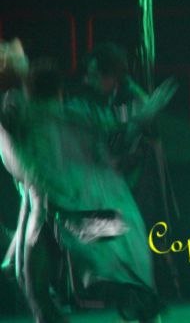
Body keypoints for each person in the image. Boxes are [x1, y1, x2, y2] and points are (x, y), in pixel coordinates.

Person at [0, 43, 176, 323]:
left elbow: (121, 125)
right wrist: (146, 108)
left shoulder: (27, 114)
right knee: (112, 254)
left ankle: (129, 297)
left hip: (59, 208)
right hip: (71, 209)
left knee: (40, 274)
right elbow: (122, 121)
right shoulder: (71, 113)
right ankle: (135, 297)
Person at [83, 43, 180, 297]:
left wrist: (115, 161)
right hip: (131, 178)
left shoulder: (129, 98)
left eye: (94, 75)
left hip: (140, 180)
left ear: (110, 75)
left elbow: (133, 142)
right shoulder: (120, 97)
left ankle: (156, 292)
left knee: (143, 235)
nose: (89, 81)